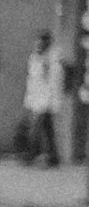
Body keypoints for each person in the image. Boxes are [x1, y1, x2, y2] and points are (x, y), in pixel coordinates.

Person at [21, 24, 66, 168]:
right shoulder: (35, 57)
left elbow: (53, 80)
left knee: (36, 127)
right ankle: (54, 157)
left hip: (46, 99)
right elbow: (32, 79)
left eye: (41, 42)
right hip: (37, 98)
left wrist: (50, 100)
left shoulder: (52, 58)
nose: (38, 45)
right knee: (48, 128)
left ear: (47, 43)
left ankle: (31, 154)